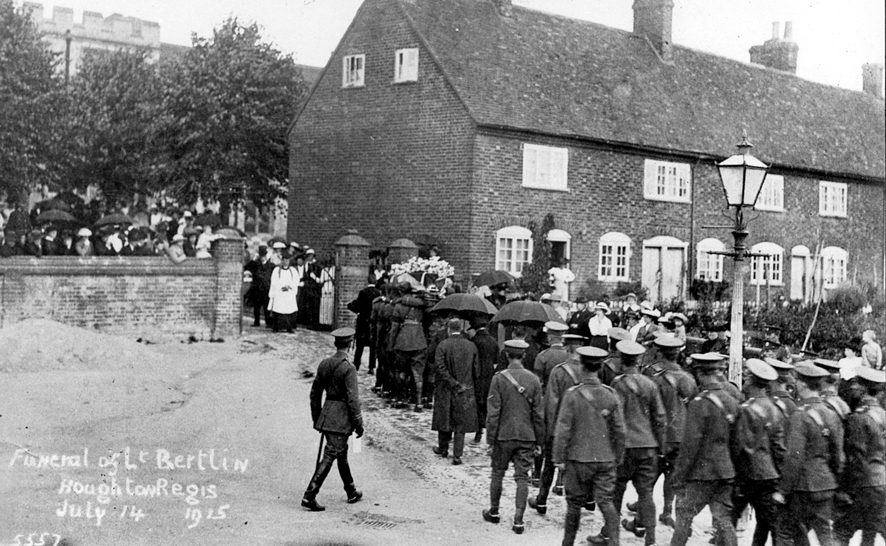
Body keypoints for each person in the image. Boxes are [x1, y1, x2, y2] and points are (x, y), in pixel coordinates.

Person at [553, 346, 625, 546]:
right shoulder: (611, 394)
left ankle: (567, 543)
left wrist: (558, 458)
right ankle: (615, 543)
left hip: (578, 459)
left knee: (574, 504)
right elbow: (620, 430)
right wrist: (617, 456)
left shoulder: (572, 394)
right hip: (605, 458)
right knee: (606, 502)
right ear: (600, 367)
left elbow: (563, 429)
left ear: (582, 367)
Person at [669, 352, 740, 546]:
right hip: (725, 471)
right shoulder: (731, 400)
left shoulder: (699, 403)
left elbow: (690, 445)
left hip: (702, 472)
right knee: (724, 519)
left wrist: (679, 475)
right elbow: (736, 441)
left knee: (684, 515)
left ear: (699, 373)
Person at [775, 362, 844, 546]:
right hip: (825, 484)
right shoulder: (830, 413)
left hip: (802, 486)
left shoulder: (800, 415)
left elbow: (794, 457)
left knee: (783, 531)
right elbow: (838, 454)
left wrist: (783, 491)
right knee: (824, 535)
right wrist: (832, 478)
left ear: (802, 384)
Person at [483, 339, 545, 535]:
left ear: (507, 355)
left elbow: (493, 413)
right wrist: (538, 441)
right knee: (522, 478)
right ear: (524, 355)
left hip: (503, 435)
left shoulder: (499, 379)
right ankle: (518, 520)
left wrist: (491, 440)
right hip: (526, 436)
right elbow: (538, 414)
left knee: (497, 473)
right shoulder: (534, 380)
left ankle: (494, 511)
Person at [609, 340, 666, 546]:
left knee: (616, 492)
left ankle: (611, 537)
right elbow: (660, 417)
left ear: (622, 361)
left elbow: (615, 418)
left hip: (625, 446)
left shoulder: (617, 384)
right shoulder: (650, 384)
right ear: (638, 361)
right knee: (646, 493)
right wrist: (660, 446)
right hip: (648, 446)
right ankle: (650, 539)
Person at [302, 327, 364, 511]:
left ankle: (351, 491)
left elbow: (314, 393)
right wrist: (359, 423)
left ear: (336, 343)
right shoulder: (349, 368)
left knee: (340, 452)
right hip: (341, 419)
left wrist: (318, 417)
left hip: (328, 415)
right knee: (331, 454)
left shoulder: (324, 363)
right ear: (351, 344)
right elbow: (353, 400)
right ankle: (309, 495)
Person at [529, 327, 586, 517]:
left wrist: (549, 429)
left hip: (560, 427)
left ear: (567, 348)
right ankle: (573, 508)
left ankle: (542, 501)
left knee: (549, 466)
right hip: (581, 428)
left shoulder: (558, 372)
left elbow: (551, 403)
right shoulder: (589, 371)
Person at [730, 359, 786, 546]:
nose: (744, 383)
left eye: (746, 378)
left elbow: (738, 447)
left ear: (753, 382)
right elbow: (779, 448)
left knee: (729, 518)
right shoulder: (776, 409)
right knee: (769, 523)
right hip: (769, 476)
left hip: (746, 476)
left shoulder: (746, 409)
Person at [833, 366, 886, 546]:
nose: (853, 387)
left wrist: (847, 491)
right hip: (881, 481)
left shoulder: (858, 418)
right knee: (870, 533)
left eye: (857, 383)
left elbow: (856, 458)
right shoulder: (882, 414)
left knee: (841, 531)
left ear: (864, 389)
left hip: (864, 484)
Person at [648, 336, 697, 527]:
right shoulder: (688, 378)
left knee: (648, 478)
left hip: (659, 435)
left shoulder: (654, 377)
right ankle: (667, 512)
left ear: (659, 353)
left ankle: (642, 515)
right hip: (680, 435)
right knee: (672, 476)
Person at [432, 318, 479, 464]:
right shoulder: (471, 346)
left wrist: (452, 382)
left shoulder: (443, 345)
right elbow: (477, 371)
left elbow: (439, 367)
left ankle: (443, 448)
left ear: (448, 329)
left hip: (445, 387)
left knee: (444, 418)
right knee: (460, 422)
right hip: (465, 389)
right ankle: (457, 454)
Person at [392, 283, 431, 410]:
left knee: (401, 371)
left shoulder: (398, 306)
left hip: (402, 341)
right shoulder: (421, 306)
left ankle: (400, 399)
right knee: (418, 373)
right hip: (419, 340)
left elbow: (394, 328)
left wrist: (392, 343)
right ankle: (418, 402)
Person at [471, 316, 499, 444]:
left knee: (478, 402)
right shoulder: (493, 340)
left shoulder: (475, 340)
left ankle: (478, 432)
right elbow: (496, 359)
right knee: (487, 402)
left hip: (476, 375)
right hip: (489, 375)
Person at [348, 279, 382, 372]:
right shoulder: (379, 293)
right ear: (375, 282)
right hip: (373, 322)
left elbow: (357, 305)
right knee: (373, 345)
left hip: (363, 321)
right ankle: (371, 367)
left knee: (360, 345)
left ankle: (356, 365)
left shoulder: (363, 292)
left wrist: (358, 312)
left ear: (368, 281)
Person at [268, 251, 299, 333]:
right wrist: (281, 287)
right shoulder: (276, 270)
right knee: (279, 309)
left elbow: (296, 280)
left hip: (289, 293)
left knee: (289, 309)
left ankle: (290, 327)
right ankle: (276, 327)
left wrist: (289, 286)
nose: (286, 262)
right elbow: (274, 281)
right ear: (281, 261)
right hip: (280, 293)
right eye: (284, 260)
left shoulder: (293, 271)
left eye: (287, 261)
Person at [244, 246, 274, 326]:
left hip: (266, 288)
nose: (262, 258)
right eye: (261, 256)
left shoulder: (271, 265)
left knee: (266, 306)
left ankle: (268, 322)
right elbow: (246, 268)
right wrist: (253, 260)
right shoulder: (256, 264)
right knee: (256, 306)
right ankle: (256, 322)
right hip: (257, 289)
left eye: (264, 255)